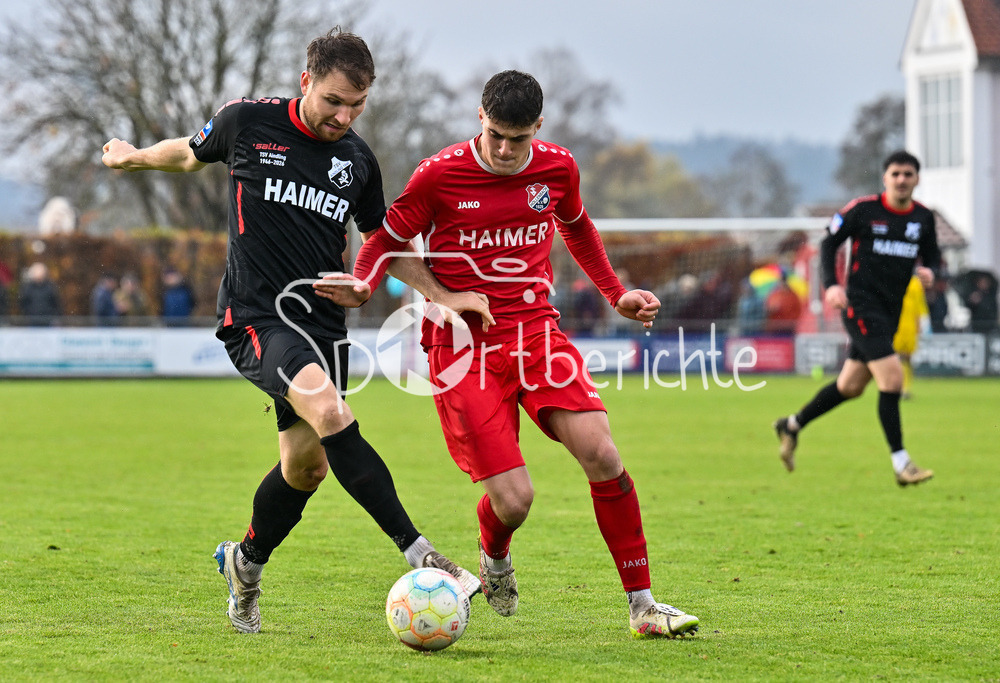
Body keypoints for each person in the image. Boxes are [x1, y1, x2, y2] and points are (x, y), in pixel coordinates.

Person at [101, 28, 488, 634]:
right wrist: (133, 157)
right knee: (331, 411)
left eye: (357, 105)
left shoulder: (357, 161)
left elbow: (384, 242)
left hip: (325, 328)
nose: (344, 116)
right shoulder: (247, 122)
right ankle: (424, 554)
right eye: (334, 100)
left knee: (306, 469)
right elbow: (189, 153)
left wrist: (439, 294)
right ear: (306, 81)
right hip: (257, 318)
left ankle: (245, 563)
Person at [316, 70, 700, 638]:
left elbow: (577, 226)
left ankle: (643, 607)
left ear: (537, 128)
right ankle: (494, 553)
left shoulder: (558, 168)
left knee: (603, 454)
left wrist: (616, 293)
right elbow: (386, 238)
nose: (503, 149)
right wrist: (364, 283)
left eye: (517, 139)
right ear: (480, 118)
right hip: (461, 346)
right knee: (516, 501)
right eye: (494, 134)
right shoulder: (439, 174)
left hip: (536, 332)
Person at [773, 151, 940, 487]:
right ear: (885, 178)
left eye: (908, 174)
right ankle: (902, 464)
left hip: (892, 311)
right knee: (892, 379)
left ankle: (791, 425)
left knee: (849, 386)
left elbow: (933, 255)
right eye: (896, 174)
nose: (902, 180)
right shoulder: (863, 210)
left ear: (917, 179)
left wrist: (930, 271)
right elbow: (828, 243)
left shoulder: (923, 218)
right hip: (861, 306)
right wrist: (832, 285)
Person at [892, 276, 929, 399]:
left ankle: (905, 388)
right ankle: (899, 387)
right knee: (897, 357)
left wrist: (920, 325)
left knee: (907, 358)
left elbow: (920, 306)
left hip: (910, 327)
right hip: (897, 325)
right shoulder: (893, 280)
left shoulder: (915, 284)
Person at [18, 262, 62, 326]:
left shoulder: (51, 287)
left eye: (40, 273)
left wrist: (55, 317)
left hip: (48, 321)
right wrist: (27, 315)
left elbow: (56, 303)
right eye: (36, 273)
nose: (39, 275)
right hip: (32, 321)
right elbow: (23, 303)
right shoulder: (27, 288)